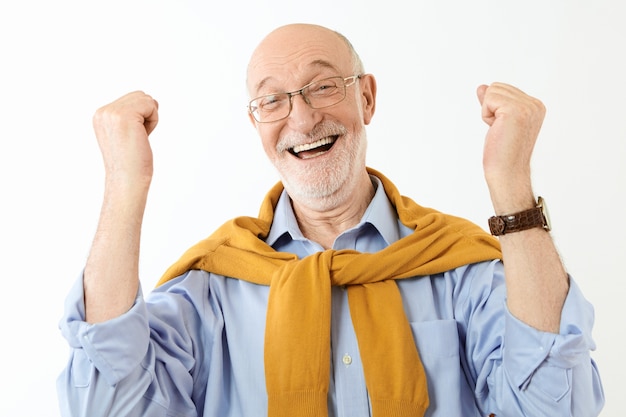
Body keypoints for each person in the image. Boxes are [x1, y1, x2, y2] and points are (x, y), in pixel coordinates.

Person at [57, 23, 604, 417]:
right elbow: (104, 405)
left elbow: (557, 407)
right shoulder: (213, 286)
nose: (301, 117)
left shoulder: (457, 266)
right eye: (271, 101)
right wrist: (124, 186)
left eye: (322, 86)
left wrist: (510, 183)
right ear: (257, 124)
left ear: (366, 97)